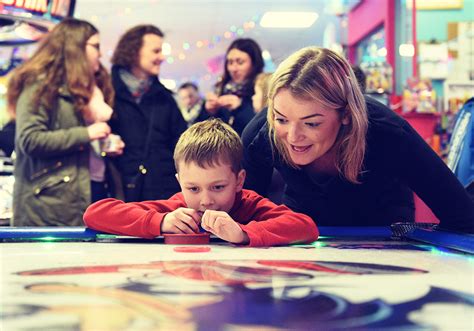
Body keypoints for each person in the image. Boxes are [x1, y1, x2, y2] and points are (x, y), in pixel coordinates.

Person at [242, 46, 474, 233]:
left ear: (346, 114)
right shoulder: (260, 135)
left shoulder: (388, 133)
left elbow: (461, 215)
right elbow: (243, 217)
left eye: (311, 123)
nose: (293, 137)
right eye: (281, 119)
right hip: (304, 229)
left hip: (384, 232)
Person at [84, 119, 319, 246]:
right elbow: (95, 214)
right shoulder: (178, 208)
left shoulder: (249, 204)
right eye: (193, 188)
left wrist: (243, 233)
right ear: (179, 183)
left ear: (239, 180)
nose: (206, 201)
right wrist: (161, 221)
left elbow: (305, 227)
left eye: (218, 187)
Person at [7, 18, 124, 226]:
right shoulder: (40, 86)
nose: (100, 53)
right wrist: (87, 134)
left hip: (89, 192)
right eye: (95, 46)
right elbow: (30, 140)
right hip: (51, 204)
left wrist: (104, 144)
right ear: (75, 47)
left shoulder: (90, 89)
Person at [110, 25, 187, 201]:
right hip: (119, 191)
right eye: (156, 51)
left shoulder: (165, 98)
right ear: (134, 51)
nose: (162, 57)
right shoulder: (107, 92)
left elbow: (181, 143)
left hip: (162, 193)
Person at [205, 38, 264, 135]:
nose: (233, 68)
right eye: (230, 62)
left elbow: (261, 130)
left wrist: (239, 107)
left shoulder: (261, 90)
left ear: (254, 63)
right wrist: (209, 110)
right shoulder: (220, 89)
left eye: (240, 62)